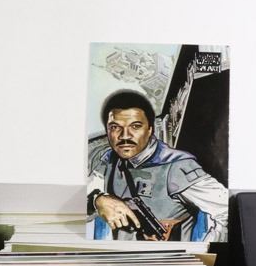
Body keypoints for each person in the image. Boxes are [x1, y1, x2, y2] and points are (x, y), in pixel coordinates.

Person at [88, 90, 228, 242]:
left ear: (150, 129)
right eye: (115, 127)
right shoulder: (107, 160)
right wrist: (98, 200)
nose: (125, 136)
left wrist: (204, 249)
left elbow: (227, 210)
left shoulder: (176, 167)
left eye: (135, 126)